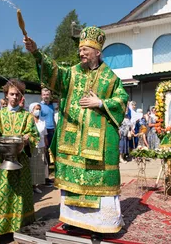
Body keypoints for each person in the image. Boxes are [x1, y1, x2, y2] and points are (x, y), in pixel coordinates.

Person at [24, 26, 129, 239]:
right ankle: (75, 221)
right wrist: (36, 53)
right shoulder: (71, 73)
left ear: (98, 52)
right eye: (80, 49)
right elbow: (53, 73)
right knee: (74, 183)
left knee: (98, 181)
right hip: (73, 141)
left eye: (85, 49)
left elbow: (122, 100)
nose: (81, 53)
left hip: (99, 144)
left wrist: (100, 102)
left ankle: (102, 224)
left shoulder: (110, 78)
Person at [0, 79, 39, 244]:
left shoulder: (27, 117)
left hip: (21, 162)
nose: (14, 97)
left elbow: (34, 135)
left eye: (17, 94)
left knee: (19, 196)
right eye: (11, 94)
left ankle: (20, 228)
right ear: (6, 95)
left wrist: (28, 139)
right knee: (1, 196)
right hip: (2, 162)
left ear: (21, 96)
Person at [29, 102, 48, 194]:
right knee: (31, 167)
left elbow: (45, 135)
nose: (38, 111)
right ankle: (29, 186)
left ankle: (35, 186)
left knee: (39, 167)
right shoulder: (28, 121)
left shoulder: (42, 121)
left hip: (41, 146)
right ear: (31, 110)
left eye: (39, 109)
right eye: (36, 109)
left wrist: (45, 146)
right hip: (32, 147)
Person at [40, 88, 55, 186]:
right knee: (45, 154)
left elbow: (53, 118)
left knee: (51, 153)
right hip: (45, 131)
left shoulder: (51, 106)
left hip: (52, 130)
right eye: (44, 94)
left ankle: (49, 176)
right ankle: (45, 178)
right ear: (41, 95)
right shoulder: (39, 106)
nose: (46, 96)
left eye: (47, 94)